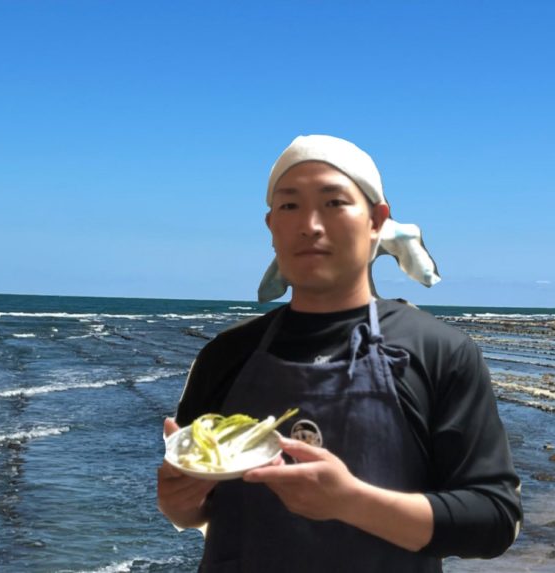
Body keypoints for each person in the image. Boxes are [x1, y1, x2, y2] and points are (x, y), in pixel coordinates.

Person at [157, 135, 522, 572]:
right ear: (271, 225)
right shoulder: (225, 354)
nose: (310, 224)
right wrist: (181, 504)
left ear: (376, 220)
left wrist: (351, 502)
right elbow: (199, 508)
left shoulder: (440, 352)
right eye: (290, 206)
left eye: (334, 203)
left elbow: (495, 519)